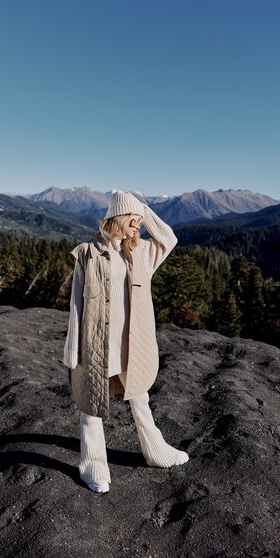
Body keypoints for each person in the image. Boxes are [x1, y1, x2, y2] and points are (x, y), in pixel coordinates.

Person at [63, 190, 189, 493]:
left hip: (130, 343)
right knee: (91, 404)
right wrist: (72, 351)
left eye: (141, 221)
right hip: (96, 343)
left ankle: (155, 451)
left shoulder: (141, 252)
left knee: (140, 396)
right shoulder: (87, 253)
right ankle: (93, 466)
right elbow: (75, 303)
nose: (139, 225)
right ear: (117, 218)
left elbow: (169, 239)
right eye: (133, 220)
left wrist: (141, 208)